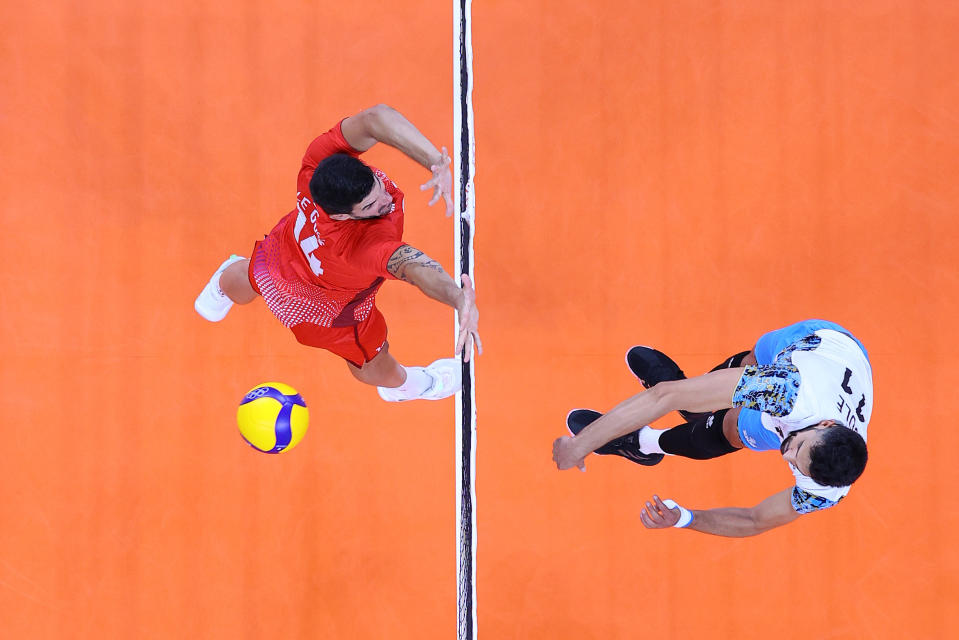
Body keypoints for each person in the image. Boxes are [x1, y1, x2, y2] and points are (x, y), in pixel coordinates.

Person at [195, 104, 481, 401]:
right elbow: (416, 269)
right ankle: (412, 386)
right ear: (344, 217)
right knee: (370, 359)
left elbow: (374, 119)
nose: (384, 200)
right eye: (370, 206)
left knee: (250, 274)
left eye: (376, 187)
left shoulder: (317, 164)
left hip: (280, 256)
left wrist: (436, 161)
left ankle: (222, 283)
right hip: (321, 308)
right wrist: (458, 298)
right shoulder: (358, 247)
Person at [552, 319, 871, 537]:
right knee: (736, 371)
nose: (786, 455)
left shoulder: (827, 489)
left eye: (796, 463)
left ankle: (643, 444)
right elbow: (665, 395)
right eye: (798, 448)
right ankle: (693, 407)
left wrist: (686, 518)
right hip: (821, 342)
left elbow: (755, 520)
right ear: (827, 425)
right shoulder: (786, 388)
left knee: (736, 429)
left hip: (805, 403)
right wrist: (579, 446)